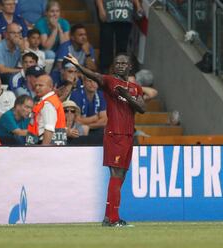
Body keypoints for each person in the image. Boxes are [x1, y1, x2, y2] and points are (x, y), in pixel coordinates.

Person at [64, 53, 145, 227]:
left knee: (121, 176)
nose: (121, 65)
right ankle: (112, 218)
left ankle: (111, 217)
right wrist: (78, 65)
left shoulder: (135, 88)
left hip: (129, 134)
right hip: (114, 133)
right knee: (115, 174)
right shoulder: (109, 81)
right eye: (117, 63)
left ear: (130, 66)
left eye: (124, 63)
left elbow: (142, 108)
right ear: (114, 66)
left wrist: (128, 96)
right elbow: (94, 75)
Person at [95, 0, 143, 73]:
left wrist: (138, 6)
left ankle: (121, 71)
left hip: (125, 14)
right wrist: (101, 8)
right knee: (106, 44)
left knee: (122, 47)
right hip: (109, 11)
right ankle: (105, 70)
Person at [26, 73, 67, 145]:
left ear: (50, 87)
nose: (37, 88)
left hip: (46, 144)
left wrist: (43, 150)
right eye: (36, 85)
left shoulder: (48, 104)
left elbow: (49, 129)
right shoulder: (51, 100)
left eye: (40, 85)